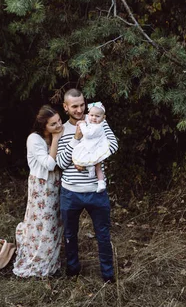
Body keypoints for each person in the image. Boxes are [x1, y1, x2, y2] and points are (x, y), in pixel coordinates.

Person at [56, 89, 119, 283]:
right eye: (74, 106)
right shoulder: (62, 129)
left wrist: (91, 158)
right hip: (70, 192)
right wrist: (75, 138)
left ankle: (108, 277)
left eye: (82, 105)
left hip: (96, 192)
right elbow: (60, 162)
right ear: (66, 107)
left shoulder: (98, 120)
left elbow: (114, 145)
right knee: (69, 234)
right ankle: (73, 271)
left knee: (103, 234)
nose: (79, 110)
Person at [13, 105, 64, 278]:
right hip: (42, 186)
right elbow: (49, 165)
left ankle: (52, 260)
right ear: (44, 126)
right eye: (53, 124)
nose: (59, 126)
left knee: (55, 223)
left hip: (55, 184)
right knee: (43, 224)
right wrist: (57, 138)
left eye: (59, 121)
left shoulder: (55, 133)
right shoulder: (34, 139)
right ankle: (39, 263)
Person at [71, 102, 111, 193]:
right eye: (92, 115)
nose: (94, 118)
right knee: (86, 158)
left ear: (103, 118)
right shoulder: (92, 123)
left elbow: (87, 134)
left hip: (96, 149)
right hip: (91, 147)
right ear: (88, 115)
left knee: (98, 167)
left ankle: (101, 183)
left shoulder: (98, 127)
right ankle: (90, 168)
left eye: (97, 116)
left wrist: (82, 124)